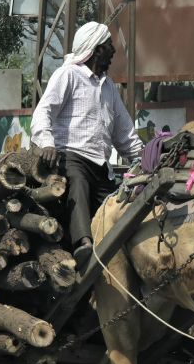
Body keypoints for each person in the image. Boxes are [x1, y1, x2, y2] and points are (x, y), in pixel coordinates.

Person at [30, 21, 143, 267]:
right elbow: (43, 111)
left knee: (115, 204)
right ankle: (82, 243)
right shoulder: (68, 74)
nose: (114, 51)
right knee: (77, 183)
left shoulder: (109, 87)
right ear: (96, 49)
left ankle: (117, 255)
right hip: (71, 157)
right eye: (109, 45)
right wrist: (47, 142)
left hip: (101, 165)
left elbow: (124, 132)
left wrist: (144, 157)